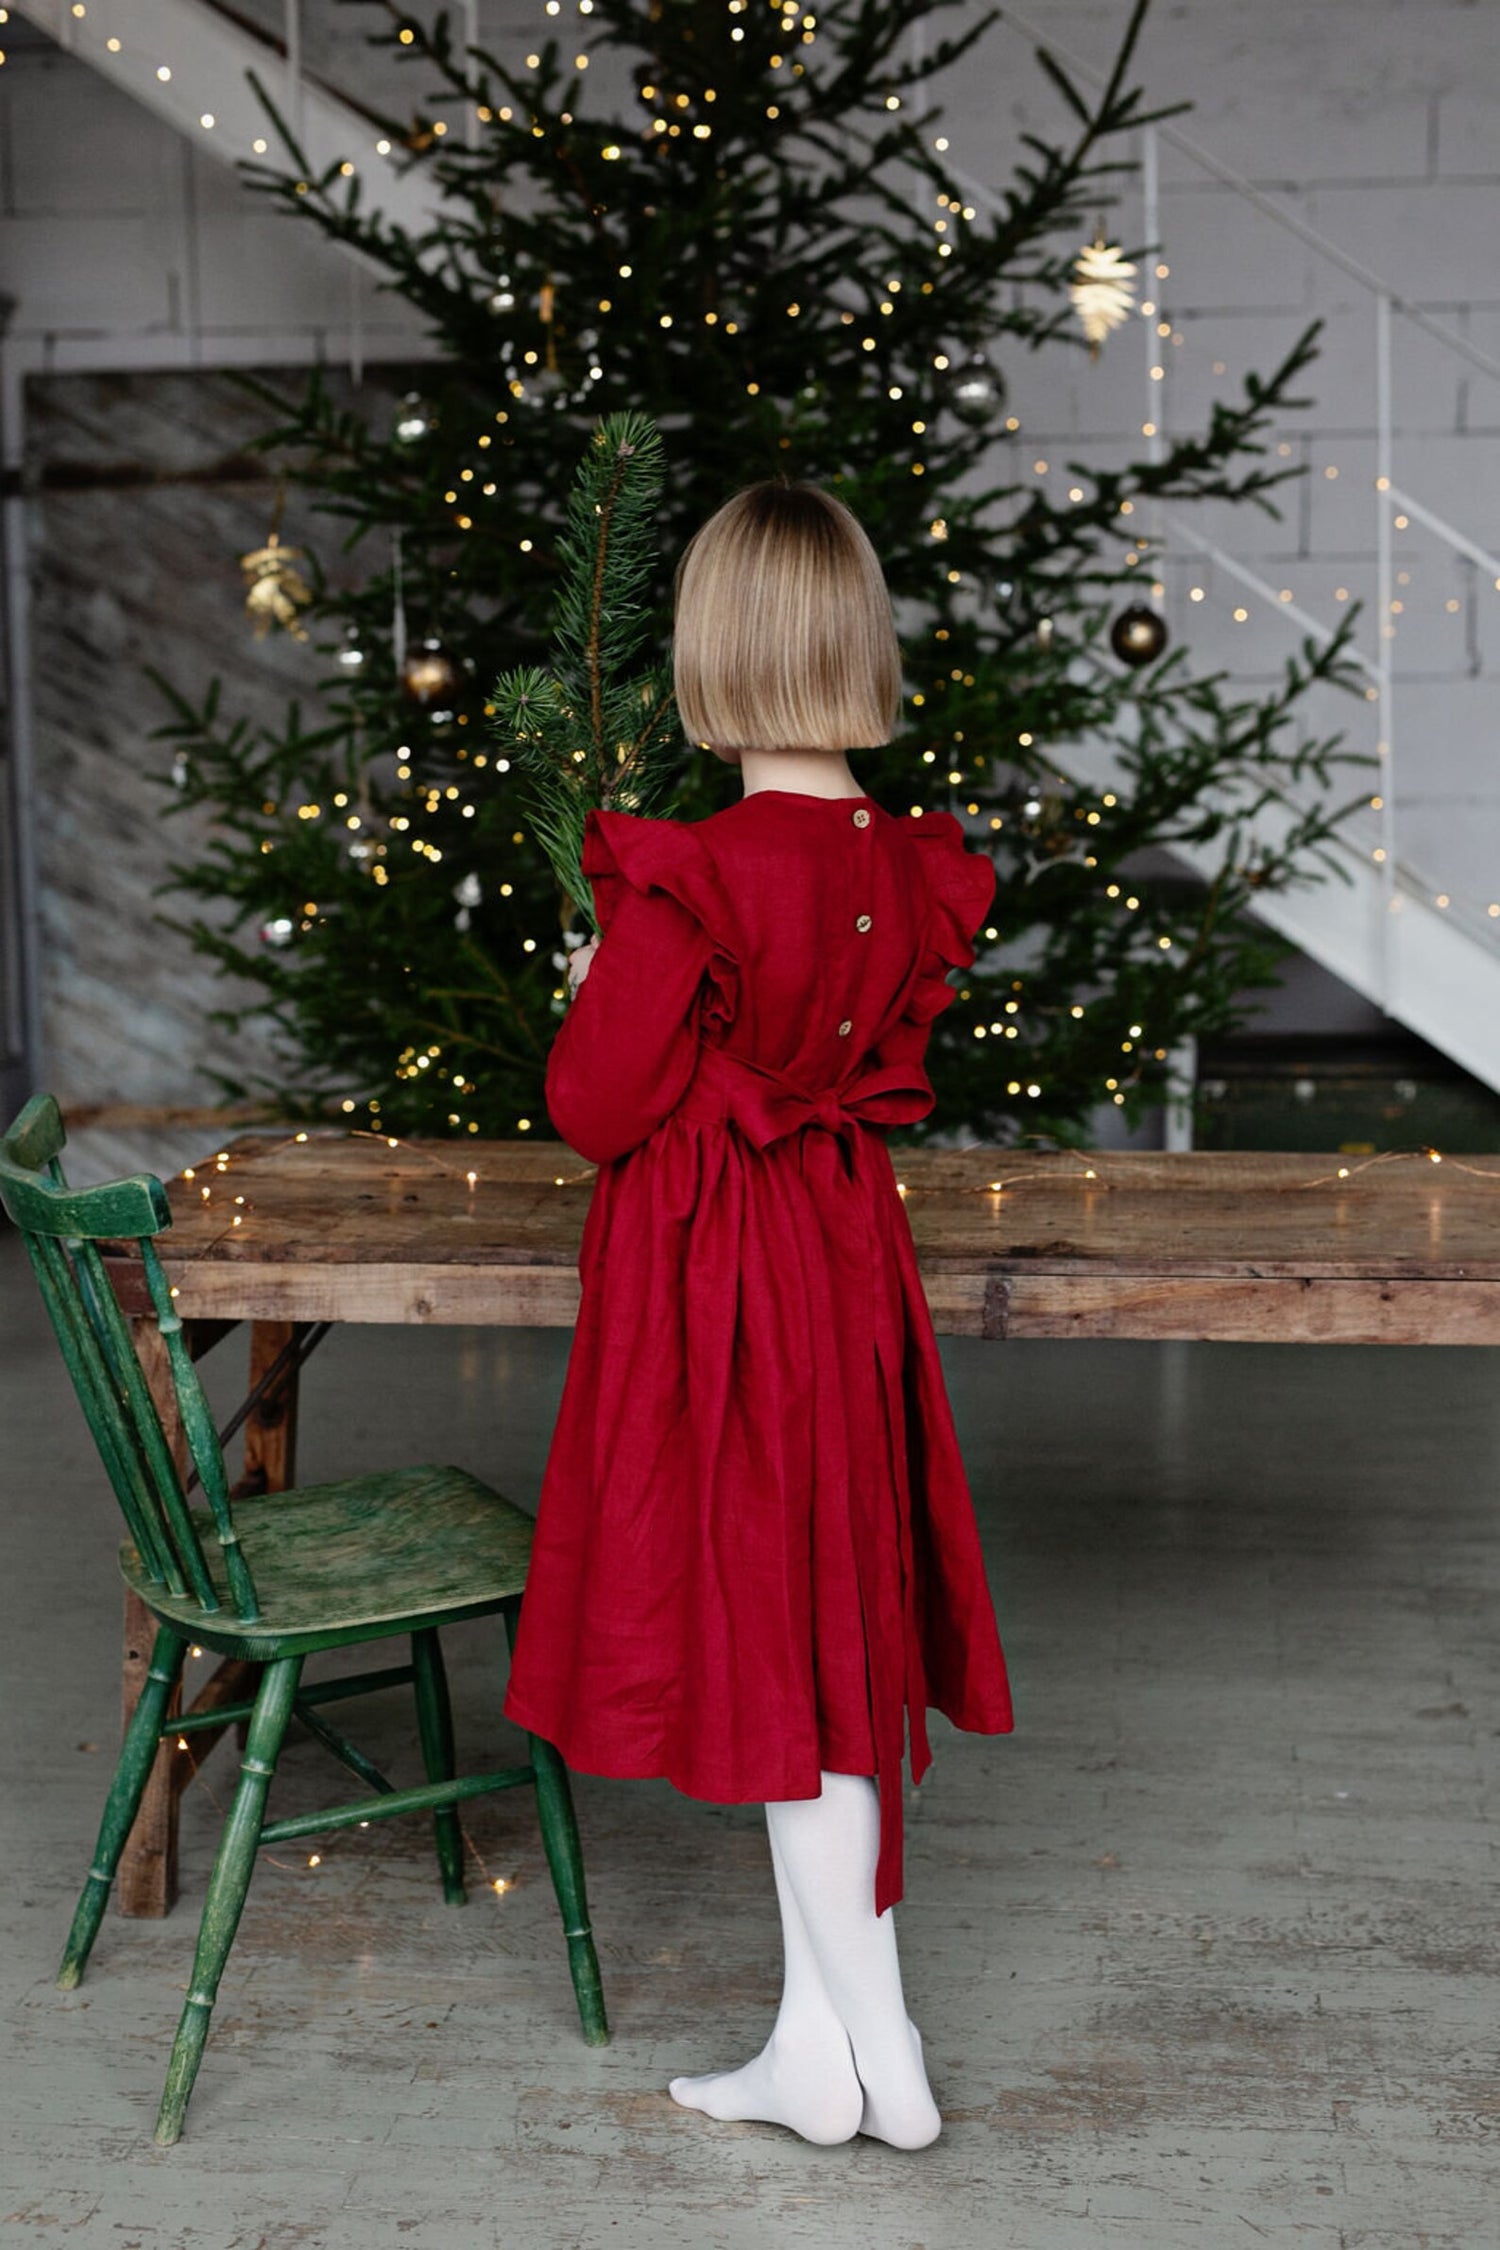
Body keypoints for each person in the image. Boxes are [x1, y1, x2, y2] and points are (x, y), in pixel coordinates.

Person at [502, 480, 1013, 2148]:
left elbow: (594, 1103)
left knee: (781, 1665)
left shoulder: (697, 877)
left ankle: (887, 2040)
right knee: (826, 1630)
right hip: (841, 1262)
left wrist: (603, 987)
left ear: (711, 656)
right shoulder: (906, 865)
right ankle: (813, 2054)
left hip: (721, 1287)